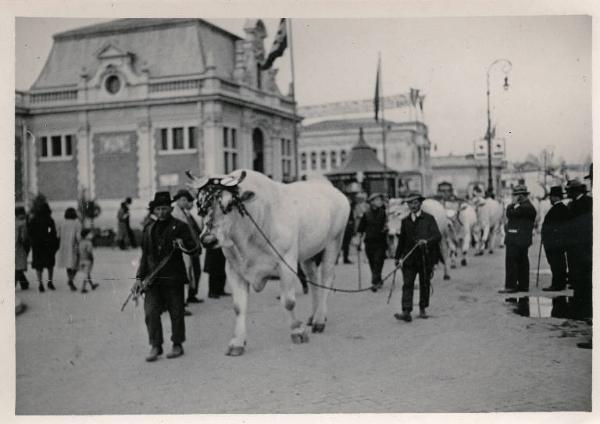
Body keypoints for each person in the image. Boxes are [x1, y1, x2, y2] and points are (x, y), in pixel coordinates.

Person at [135, 191, 196, 362]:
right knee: (150, 312)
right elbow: (144, 257)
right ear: (154, 210)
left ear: (170, 208)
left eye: (164, 208)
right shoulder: (148, 229)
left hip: (173, 278)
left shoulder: (180, 226)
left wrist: (183, 244)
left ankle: (177, 344)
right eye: (158, 209)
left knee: (176, 313)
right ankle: (156, 345)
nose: (161, 212)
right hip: (153, 279)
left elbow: (195, 249)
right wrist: (139, 278)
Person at [393, 191, 442, 322]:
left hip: (425, 258)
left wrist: (427, 241)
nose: (412, 205)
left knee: (424, 284)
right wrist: (397, 258)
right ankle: (406, 311)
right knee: (407, 284)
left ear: (420, 203)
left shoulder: (429, 219)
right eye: (409, 203)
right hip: (409, 259)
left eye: (415, 202)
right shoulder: (405, 221)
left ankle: (422, 308)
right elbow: (401, 241)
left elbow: (437, 236)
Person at [499, 185, 536, 294]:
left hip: (516, 239)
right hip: (522, 239)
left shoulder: (524, 207)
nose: (513, 197)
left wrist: (512, 204)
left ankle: (511, 286)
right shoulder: (528, 206)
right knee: (522, 261)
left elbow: (510, 214)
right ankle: (523, 285)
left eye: (515, 195)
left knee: (512, 262)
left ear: (520, 196)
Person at [565, 179, 593, 321]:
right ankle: (578, 303)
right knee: (577, 276)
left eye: (570, 191)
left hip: (581, 247)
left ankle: (583, 308)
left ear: (576, 192)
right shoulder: (586, 202)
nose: (568, 194)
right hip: (577, 247)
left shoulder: (584, 204)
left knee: (583, 276)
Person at [172, 189, 203, 304]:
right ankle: (183, 301)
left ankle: (191, 295)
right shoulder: (175, 213)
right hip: (184, 248)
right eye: (183, 200)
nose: (186, 202)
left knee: (194, 272)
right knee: (186, 272)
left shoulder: (185, 212)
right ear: (179, 200)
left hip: (192, 247)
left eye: (186, 200)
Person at [357, 193, 388, 292]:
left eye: (380, 200)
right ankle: (378, 279)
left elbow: (386, 224)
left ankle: (374, 282)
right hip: (369, 242)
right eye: (378, 200)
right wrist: (358, 240)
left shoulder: (383, 213)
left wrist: (386, 228)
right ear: (372, 202)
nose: (380, 202)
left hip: (381, 242)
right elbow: (360, 229)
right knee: (372, 262)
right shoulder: (366, 214)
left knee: (378, 261)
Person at [541, 186, 569, 292]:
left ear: (556, 197)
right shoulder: (563, 208)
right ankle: (560, 283)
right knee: (559, 263)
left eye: (551, 197)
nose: (550, 199)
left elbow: (554, 226)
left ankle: (557, 284)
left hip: (554, 242)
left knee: (556, 263)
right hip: (558, 242)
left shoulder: (556, 209)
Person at [28, 202, 59, 292]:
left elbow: (30, 232)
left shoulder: (33, 220)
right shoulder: (49, 220)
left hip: (37, 245)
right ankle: (50, 282)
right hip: (48, 244)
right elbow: (52, 232)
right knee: (50, 264)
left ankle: (40, 283)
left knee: (38, 265)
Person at [56, 207, 82, 291]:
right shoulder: (77, 223)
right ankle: (71, 279)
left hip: (64, 246)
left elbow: (58, 235)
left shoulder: (62, 223)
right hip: (73, 245)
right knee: (76, 264)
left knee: (68, 264)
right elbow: (78, 236)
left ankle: (70, 279)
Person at [15, 207, 30, 290]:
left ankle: (24, 283)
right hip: (22, 245)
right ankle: (22, 283)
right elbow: (24, 237)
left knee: (18, 264)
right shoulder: (23, 222)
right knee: (19, 264)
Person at [79, 228, 98, 293]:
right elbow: (89, 252)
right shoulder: (89, 242)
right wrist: (92, 259)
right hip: (87, 259)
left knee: (87, 273)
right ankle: (83, 288)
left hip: (81, 259)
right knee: (86, 274)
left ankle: (92, 285)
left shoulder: (80, 242)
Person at [341, 194, 356, 264]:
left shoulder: (350, 208)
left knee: (346, 244)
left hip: (348, 228)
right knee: (344, 244)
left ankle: (345, 258)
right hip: (345, 228)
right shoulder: (344, 209)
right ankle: (344, 258)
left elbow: (352, 220)